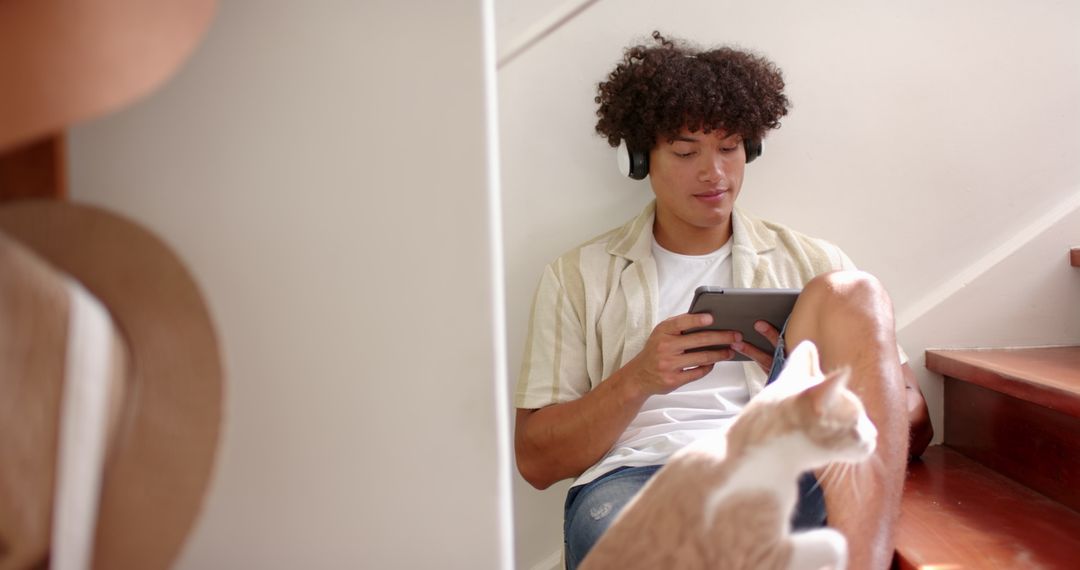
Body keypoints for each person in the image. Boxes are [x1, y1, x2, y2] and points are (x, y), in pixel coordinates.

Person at [513, 32, 933, 570]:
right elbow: (536, 459)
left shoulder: (812, 261)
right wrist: (639, 377)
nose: (715, 173)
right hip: (636, 484)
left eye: (730, 148)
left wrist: (811, 387)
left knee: (854, 291)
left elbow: (916, 423)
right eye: (686, 152)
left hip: (786, 470)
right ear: (640, 160)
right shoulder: (578, 276)